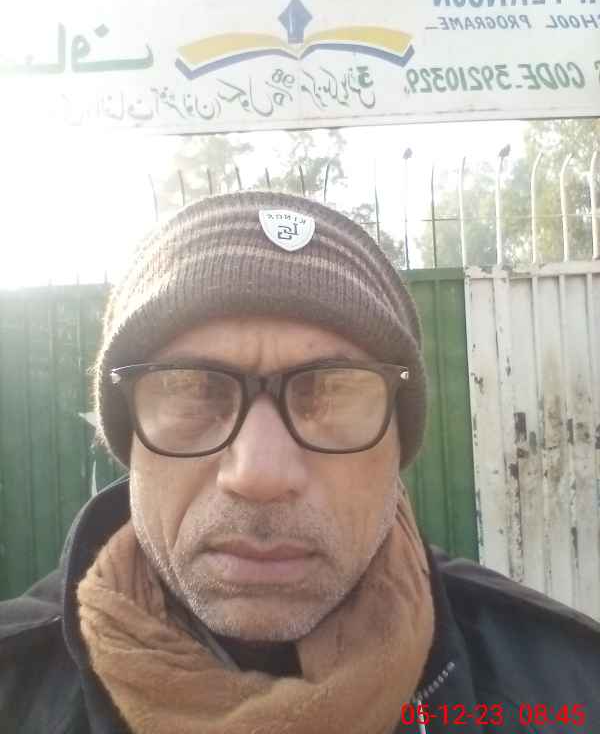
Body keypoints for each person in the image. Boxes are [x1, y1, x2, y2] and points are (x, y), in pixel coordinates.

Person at [1, 190, 598, 734]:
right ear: (129, 436)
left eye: (330, 392)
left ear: (398, 444)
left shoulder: (569, 689)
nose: (259, 475)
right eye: (194, 391)